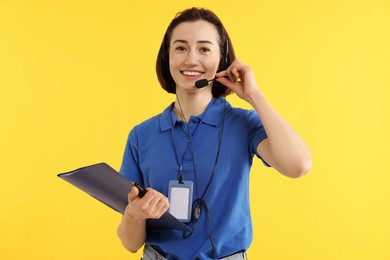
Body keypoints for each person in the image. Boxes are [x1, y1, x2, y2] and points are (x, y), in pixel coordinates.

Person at [117, 7, 312, 260]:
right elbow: (131, 243)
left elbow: (299, 165)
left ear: (223, 60)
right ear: (167, 57)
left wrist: (253, 94)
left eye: (204, 49)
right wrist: (135, 214)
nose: (191, 60)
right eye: (180, 48)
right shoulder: (141, 135)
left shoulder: (243, 124)